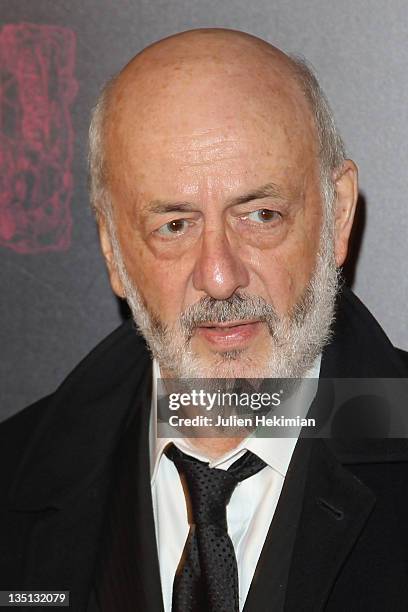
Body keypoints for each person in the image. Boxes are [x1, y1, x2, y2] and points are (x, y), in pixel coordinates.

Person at [1, 28, 407, 612]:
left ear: (337, 214)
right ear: (114, 250)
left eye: (260, 215)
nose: (219, 277)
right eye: (174, 225)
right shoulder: (14, 478)